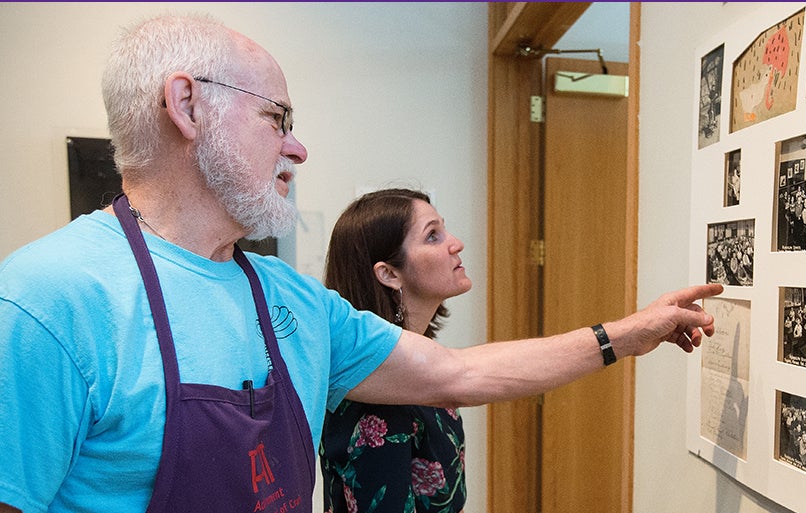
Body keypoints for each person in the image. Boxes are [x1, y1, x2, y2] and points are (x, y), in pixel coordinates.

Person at [0, 13, 722, 513]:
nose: (297, 147)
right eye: (277, 119)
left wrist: (630, 333)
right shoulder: (49, 299)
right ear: (186, 105)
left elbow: (461, 374)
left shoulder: (289, 300)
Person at [319, 188, 471, 513]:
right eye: (433, 236)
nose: (455, 243)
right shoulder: (381, 397)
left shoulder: (415, 366)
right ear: (389, 273)